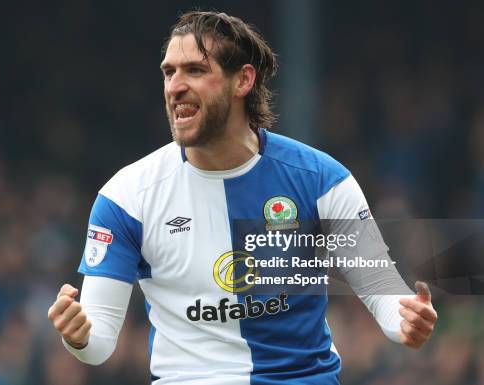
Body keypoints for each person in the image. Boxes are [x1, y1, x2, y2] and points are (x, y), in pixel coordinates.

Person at [47, 11, 437, 384]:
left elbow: (381, 289)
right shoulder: (126, 197)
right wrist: (77, 336)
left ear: (243, 80)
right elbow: (97, 343)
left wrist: (405, 321)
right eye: (169, 72)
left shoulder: (322, 180)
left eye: (195, 70)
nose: (175, 85)